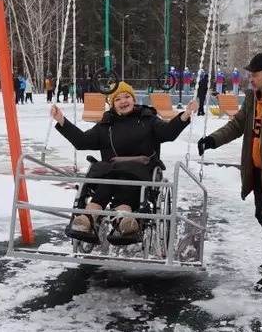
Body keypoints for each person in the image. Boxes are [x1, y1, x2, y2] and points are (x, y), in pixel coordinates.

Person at [197, 52, 262, 290]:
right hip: (257, 170)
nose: (251, 79)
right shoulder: (253, 98)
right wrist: (212, 140)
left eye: (254, 75)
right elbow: (238, 124)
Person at [51, 82, 197, 240]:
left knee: (125, 179)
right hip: (111, 171)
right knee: (108, 179)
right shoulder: (106, 125)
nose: (123, 101)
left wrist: (185, 114)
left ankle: (124, 218)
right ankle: (89, 217)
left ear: (134, 99)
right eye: (118, 99)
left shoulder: (148, 119)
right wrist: (61, 121)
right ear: (112, 104)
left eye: (127, 96)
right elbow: (82, 141)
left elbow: (168, 132)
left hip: (141, 170)